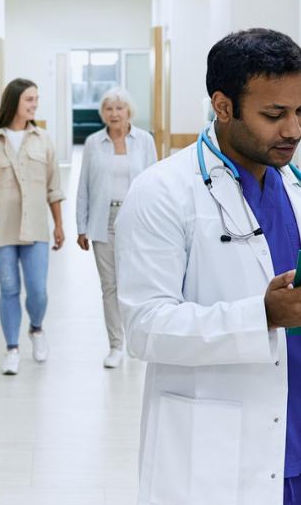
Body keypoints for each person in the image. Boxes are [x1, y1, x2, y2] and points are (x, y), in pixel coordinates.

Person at [115, 28, 301, 505]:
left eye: (300, 111)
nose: (293, 130)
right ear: (223, 106)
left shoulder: (294, 185)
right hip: (226, 447)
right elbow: (143, 327)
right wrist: (261, 315)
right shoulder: (163, 191)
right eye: (274, 115)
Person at [0, 78, 65, 376]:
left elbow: (54, 188)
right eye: (29, 100)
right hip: (0, 229)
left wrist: (59, 225)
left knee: (38, 291)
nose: (35, 105)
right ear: (14, 102)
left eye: (36, 99)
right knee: (9, 289)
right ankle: (11, 348)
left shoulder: (43, 140)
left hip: (35, 228)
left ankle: (36, 328)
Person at [76, 87, 156, 369]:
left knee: (134, 285)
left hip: (136, 222)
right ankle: (116, 346)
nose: (114, 113)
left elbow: (155, 186)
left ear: (129, 111)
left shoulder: (145, 141)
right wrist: (81, 227)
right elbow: (83, 187)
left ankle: (136, 342)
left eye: (119, 108)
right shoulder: (93, 143)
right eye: (109, 108)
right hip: (103, 221)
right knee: (109, 287)